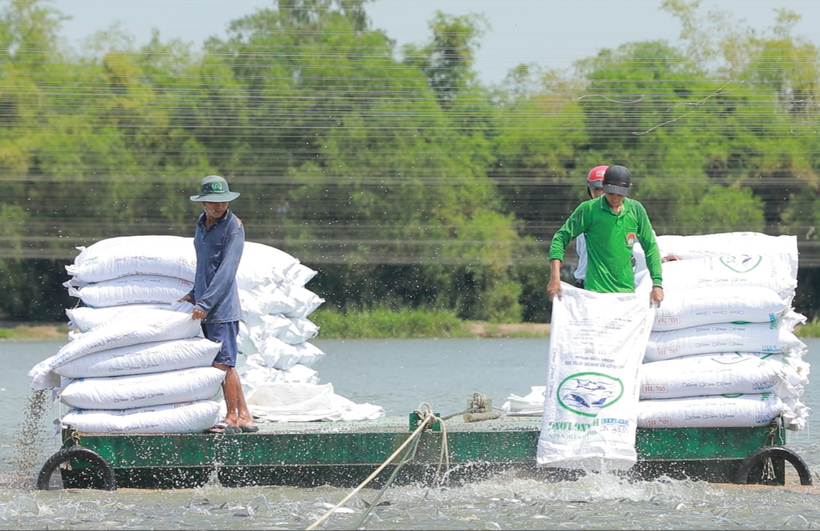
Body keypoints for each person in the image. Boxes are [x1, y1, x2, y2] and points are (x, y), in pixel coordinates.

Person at [181, 174, 258, 434]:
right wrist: (194, 293)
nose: (218, 206)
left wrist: (206, 301)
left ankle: (233, 417)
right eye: (213, 202)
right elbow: (205, 264)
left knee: (223, 364)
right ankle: (244, 416)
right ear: (202, 203)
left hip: (221, 308)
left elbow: (226, 270)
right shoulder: (202, 224)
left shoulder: (233, 227)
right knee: (222, 363)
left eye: (222, 201)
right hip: (205, 304)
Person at [547, 164, 664, 307]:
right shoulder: (588, 210)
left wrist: (657, 283)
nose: (614, 198)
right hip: (592, 291)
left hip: (625, 291)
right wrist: (555, 277)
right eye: (610, 193)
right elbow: (560, 238)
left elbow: (650, 246)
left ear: (629, 188)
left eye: (620, 194)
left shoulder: (636, 210)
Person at [573, 165, 608, 289]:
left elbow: (647, 242)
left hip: (610, 286)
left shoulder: (627, 214)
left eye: (602, 189)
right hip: (584, 284)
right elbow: (580, 251)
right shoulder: (583, 213)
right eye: (595, 189)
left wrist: (661, 258)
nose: (598, 194)